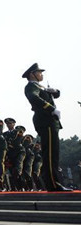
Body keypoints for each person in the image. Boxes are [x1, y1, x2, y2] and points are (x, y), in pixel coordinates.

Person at [22, 63, 71, 191]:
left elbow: (55, 94)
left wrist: (55, 91)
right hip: (45, 120)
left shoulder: (39, 86)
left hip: (50, 121)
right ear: (32, 74)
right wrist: (51, 108)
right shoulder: (31, 86)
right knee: (49, 153)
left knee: (53, 153)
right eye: (39, 72)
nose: (41, 74)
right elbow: (33, 97)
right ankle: (53, 184)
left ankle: (55, 182)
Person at [3, 118, 25, 191]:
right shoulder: (4, 134)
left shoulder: (18, 132)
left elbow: (17, 142)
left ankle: (22, 187)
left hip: (18, 152)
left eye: (10, 123)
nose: (9, 125)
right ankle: (15, 187)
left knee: (17, 169)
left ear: (14, 124)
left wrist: (8, 145)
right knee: (12, 171)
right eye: (7, 124)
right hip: (10, 154)